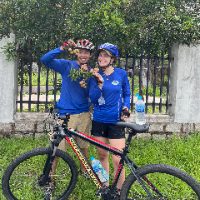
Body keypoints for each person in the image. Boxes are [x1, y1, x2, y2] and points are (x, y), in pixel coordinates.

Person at [41, 39, 94, 177]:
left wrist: (86, 76)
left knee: (83, 147)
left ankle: (84, 171)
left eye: (86, 53)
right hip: (65, 115)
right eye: (80, 51)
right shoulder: (66, 66)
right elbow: (45, 60)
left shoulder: (92, 73)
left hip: (83, 114)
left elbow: (92, 93)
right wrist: (63, 48)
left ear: (90, 55)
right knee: (57, 149)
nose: (83, 55)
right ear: (76, 53)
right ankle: (50, 178)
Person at [89, 43, 131, 191]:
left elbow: (127, 93)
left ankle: (119, 190)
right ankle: (104, 186)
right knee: (102, 156)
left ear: (112, 58)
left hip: (115, 122)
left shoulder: (121, 74)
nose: (102, 58)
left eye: (105, 55)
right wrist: (99, 83)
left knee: (118, 158)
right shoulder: (95, 75)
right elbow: (93, 99)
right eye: (100, 55)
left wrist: (126, 107)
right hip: (99, 120)